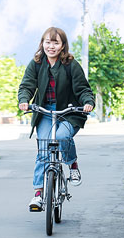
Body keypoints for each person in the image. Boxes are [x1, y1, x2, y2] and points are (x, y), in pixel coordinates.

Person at [18, 26, 95, 211]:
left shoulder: (70, 65)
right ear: (42, 43)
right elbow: (27, 85)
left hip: (69, 112)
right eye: (47, 42)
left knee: (61, 137)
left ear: (62, 46)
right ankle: (38, 194)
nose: (51, 46)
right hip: (44, 111)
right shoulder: (36, 63)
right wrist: (24, 100)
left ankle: (72, 164)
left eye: (55, 42)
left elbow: (83, 88)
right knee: (43, 150)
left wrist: (87, 102)